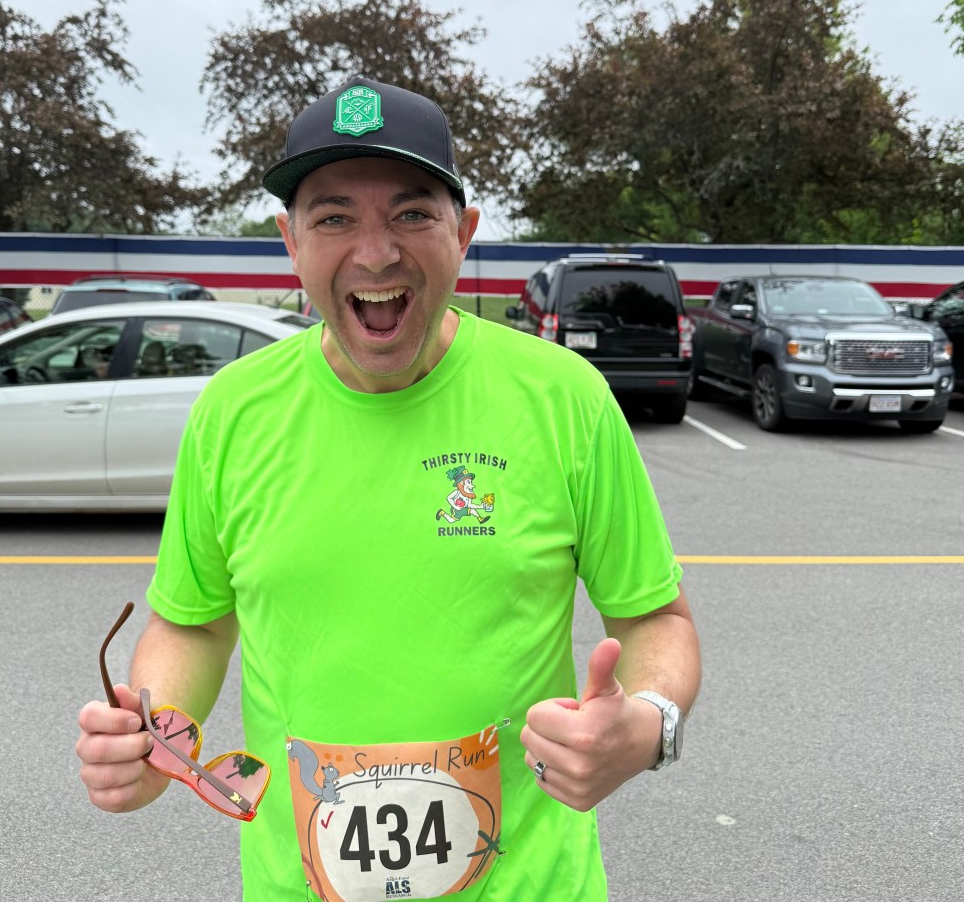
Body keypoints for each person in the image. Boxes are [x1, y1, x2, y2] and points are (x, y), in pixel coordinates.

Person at [76, 76, 701, 902]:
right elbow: (192, 623)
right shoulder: (233, 413)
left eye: (411, 214)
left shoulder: (564, 399)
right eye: (334, 218)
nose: (375, 254)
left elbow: (656, 619)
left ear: (463, 233)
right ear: (290, 241)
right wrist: (153, 742)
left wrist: (649, 725)